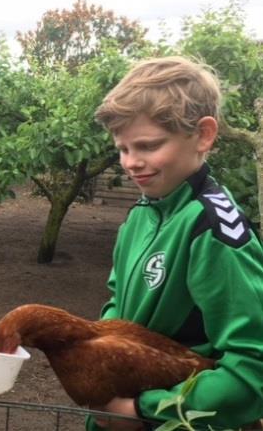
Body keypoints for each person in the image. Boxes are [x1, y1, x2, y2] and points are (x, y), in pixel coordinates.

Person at [88, 56, 263, 430]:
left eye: (148, 146)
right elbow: (117, 299)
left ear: (203, 135)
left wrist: (144, 411)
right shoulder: (141, 214)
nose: (132, 162)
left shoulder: (214, 230)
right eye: (122, 148)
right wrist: (98, 357)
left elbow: (253, 368)